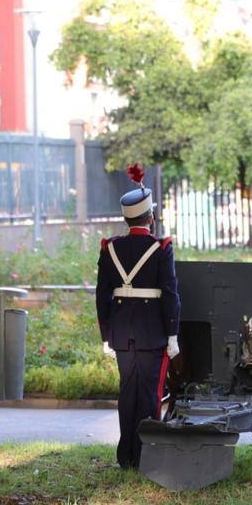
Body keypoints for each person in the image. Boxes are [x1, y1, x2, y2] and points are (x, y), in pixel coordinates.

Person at [96, 163, 181, 469]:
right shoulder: (161, 248)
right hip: (153, 334)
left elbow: (102, 295)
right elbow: (170, 294)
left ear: (126, 218)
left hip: (122, 335)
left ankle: (126, 455)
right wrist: (172, 334)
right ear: (150, 217)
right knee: (150, 396)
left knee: (127, 393)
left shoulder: (111, 248)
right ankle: (145, 456)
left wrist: (106, 335)